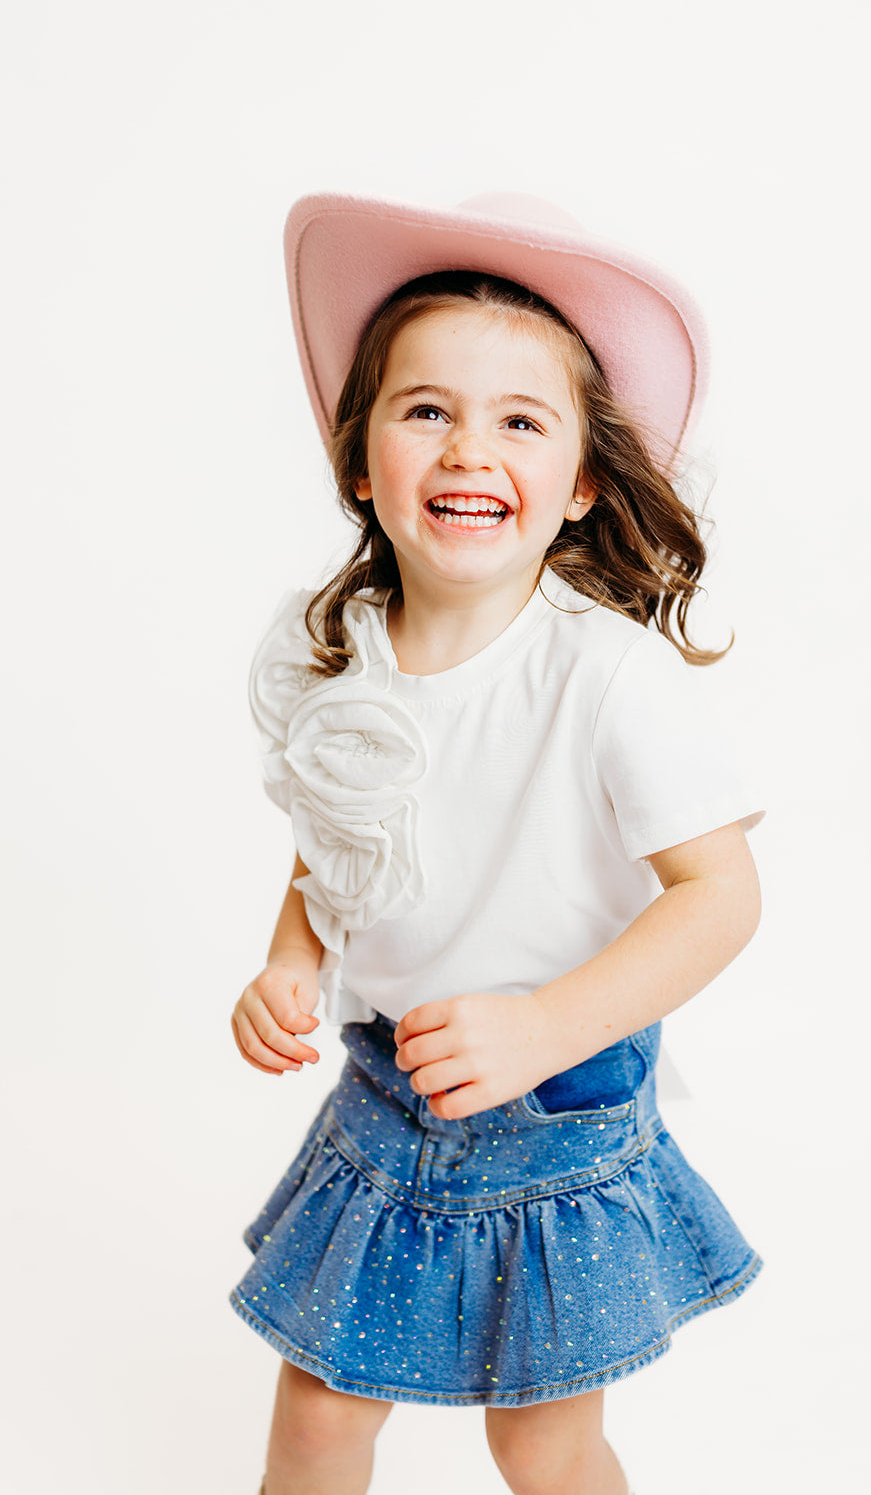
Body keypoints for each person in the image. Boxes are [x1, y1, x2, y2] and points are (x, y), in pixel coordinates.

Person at [229, 189, 767, 1495]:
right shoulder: (332, 658)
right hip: (386, 1090)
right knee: (316, 1415)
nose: (470, 449)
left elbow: (720, 898)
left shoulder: (606, 681)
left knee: (542, 1438)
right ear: (363, 459)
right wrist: (290, 963)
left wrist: (549, 1024)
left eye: (519, 421)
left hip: (558, 1116)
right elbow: (335, 837)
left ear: (581, 480)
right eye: (428, 411)